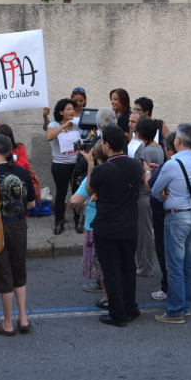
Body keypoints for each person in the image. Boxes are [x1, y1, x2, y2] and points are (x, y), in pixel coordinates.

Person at [0, 134, 35, 336]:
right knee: (19, 270)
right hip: (19, 225)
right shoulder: (22, 171)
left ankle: (8, 323)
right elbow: (31, 204)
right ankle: (23, 318)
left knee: (3, 272)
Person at [85, 125, 142, 327]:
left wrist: (91, 165)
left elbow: (89, 188)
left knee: (111, 271)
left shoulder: (102, 170)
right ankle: (130, 308)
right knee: (128, 268)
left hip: (107, 227)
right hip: (130, 226)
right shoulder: (137, 165)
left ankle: (117, 313)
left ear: (106, 144)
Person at [148, 126, 191, 324]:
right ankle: (185, 306)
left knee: (175, 267)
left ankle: (175, 311)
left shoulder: (173, 163)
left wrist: (164, 193)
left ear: (177, 140)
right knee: (188, 265)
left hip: (176, 218)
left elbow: (154, 191)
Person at [71, 141, 108, 301]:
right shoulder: (119, 169)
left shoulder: (94, 175)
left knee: (100, 263)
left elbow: (74, 200)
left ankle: (106, 297)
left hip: (96, 224)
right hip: (117, 222)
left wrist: (90, 165)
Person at [134, 118, 164, 278]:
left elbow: (142, 176)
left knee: (144, 233)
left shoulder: (144, 152)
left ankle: (145, 268)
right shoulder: (159, 148)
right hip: (153, 196)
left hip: (144, 196)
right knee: (148, 232)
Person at [45, 98, 79, 235]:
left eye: (73, 109)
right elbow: (49, 137)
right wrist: (63, 126)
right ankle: (59, 222)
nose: (72, 111)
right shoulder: (53, 124)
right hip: (60, 165)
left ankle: (78, 221)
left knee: (77, 193)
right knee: (61, 194)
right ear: (61, 111)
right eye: (69, 109)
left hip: (76, 164)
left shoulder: (76, 124)